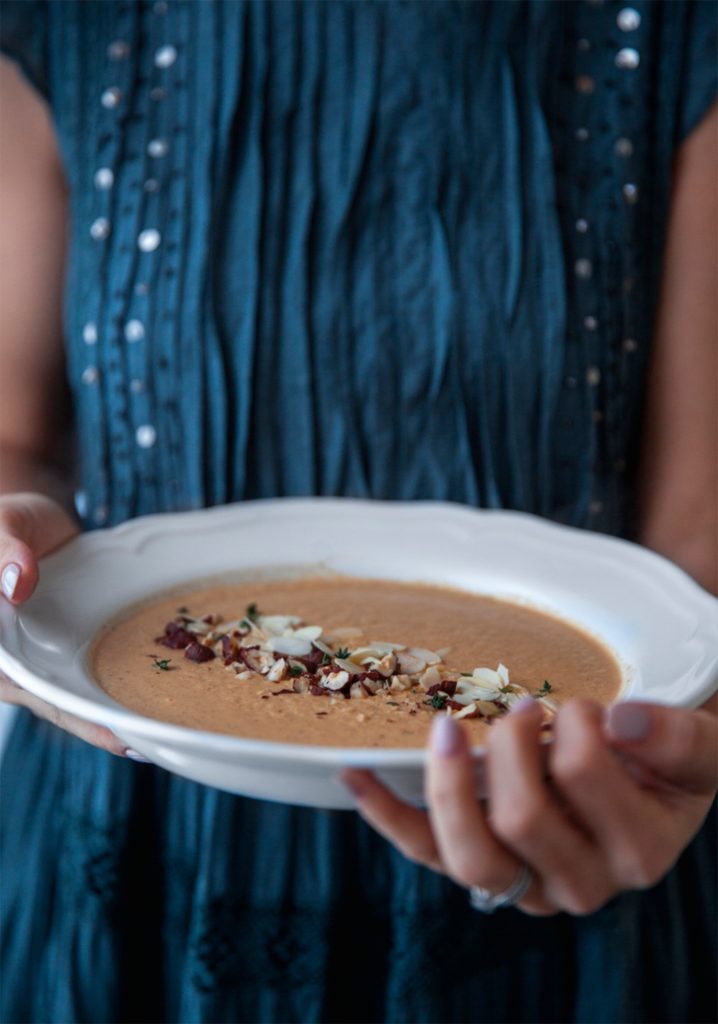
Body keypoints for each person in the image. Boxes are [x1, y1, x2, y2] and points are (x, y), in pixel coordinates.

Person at [0, 2, 715, 1021]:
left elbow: (698, 542)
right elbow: (13, 434)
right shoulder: (62, 21)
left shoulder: (671, 30)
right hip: (123, 849)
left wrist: (677, 741)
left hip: (561, 856)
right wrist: (16, 543)